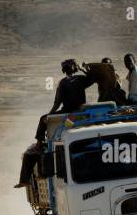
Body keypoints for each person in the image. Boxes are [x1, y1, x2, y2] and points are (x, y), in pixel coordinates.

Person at [16, 59, 94, 188]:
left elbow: (57, 103)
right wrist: (82, 68)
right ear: (74, 68)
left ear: (64, 70)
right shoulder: (80, 79)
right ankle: (39, 146)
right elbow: (92, 78)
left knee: (42, 118)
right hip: (79, 112)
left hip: (68, 111)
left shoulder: (63, 83)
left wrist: (50, 115)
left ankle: (39, 144)